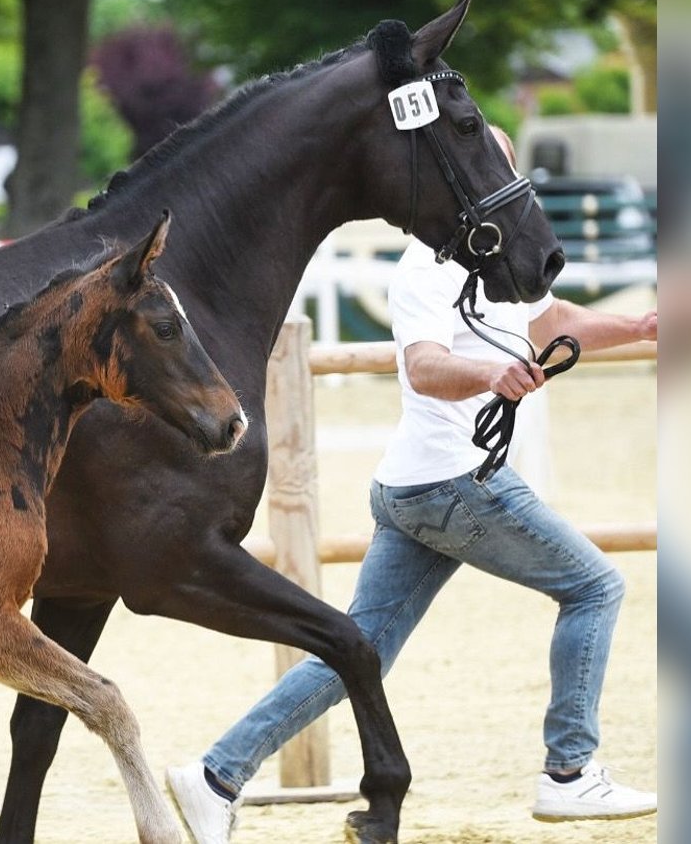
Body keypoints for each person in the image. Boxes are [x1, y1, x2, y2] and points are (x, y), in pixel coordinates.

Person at [166, 127, 657, 843]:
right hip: (455, 484)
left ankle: (216, 776)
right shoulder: (427, 268)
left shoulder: (495, 265)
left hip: (413, 488)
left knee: (358, 650)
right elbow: (424, 367)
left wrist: (642, 325)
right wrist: (492, 373)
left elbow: (554, 319)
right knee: (594, 587)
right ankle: (569, 774)